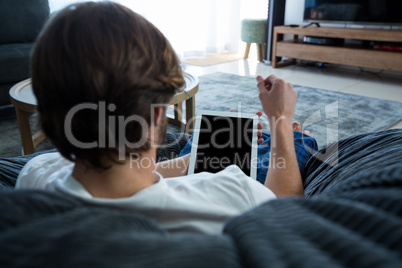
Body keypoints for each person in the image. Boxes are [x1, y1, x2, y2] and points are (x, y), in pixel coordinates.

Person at [16, 2, 317, 234]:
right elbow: (286, 211)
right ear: (158, 114)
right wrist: (280, 118)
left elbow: (111, 173)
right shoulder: (230, 193)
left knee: (224, 140)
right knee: (294, 141)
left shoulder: (36, 174)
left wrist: (197, 159)